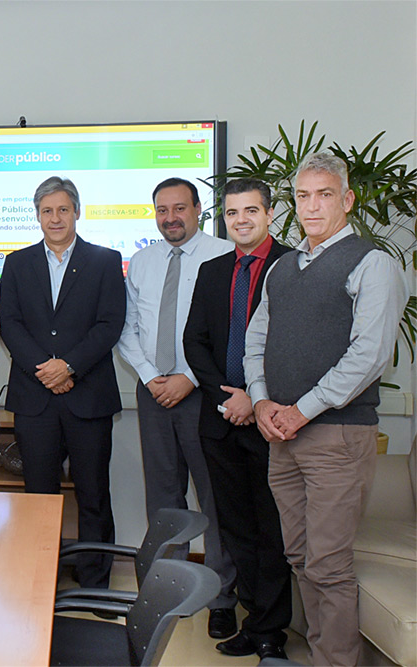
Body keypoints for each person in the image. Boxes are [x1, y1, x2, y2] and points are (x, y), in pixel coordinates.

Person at [245, 152, 408, 666]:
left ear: (347, 199)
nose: (311, 206)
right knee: (300, 558)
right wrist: (262, 400)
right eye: (302, 196)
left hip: (336, 435)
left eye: (324, 194)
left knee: (328, 565)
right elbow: (256, 340)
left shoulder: (372, 263)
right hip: (282, 435)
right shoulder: (284, 266)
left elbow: (370, 355)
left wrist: (302, 409)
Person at [117, 177, 239, 638]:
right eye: (161, 209)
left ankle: (222, 597)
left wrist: (188, 377)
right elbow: (129, 328)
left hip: (205, 397)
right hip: (154, 395)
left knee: (214, 500)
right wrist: (151, 376)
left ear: (198, 209)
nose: (170, 217)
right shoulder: (143, 261)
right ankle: (169, 591)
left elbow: (226, 331)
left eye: (179, 208)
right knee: (164, 501)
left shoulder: (222, 258)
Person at [183, 179, 293, 659]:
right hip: (220, 420)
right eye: (232, 212)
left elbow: (294, 348)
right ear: (222, 218)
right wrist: (228, 399)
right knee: (236, 532)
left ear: (269, 214)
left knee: (272, 532)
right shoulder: (212, 271)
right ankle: (253, 620)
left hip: (272, 422)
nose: (241, 220)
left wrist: (256, 396)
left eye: (251, 210)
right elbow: (195, 342)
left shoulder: (291, 267)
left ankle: (272, 632)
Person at [0, 176, 125, 587]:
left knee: (92, 494)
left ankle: (94, 582)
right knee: (39, 496)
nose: (55, 218)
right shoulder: (17, 263)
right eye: (47, 211)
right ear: (37, 215)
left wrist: (69, 366)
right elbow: (10, 324)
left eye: (63, 209)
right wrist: (46, 369)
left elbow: (110, 324)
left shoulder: (106, 261)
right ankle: (41, 579)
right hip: (35, 399)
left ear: (77, 212)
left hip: (88, 396)